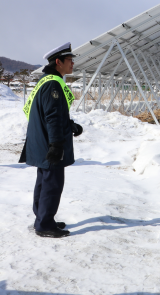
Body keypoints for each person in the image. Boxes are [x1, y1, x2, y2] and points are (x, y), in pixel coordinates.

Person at [19, 43, 81, 238]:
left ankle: (42, 218)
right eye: (70, 60)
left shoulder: (46, 81)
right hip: (49, 144)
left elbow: (52, 112)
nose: (72, 64)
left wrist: (69, 124)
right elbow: (52, 116)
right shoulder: (53, 84)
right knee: (52, 184)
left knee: (43, 182)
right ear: (58, 62)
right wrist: (56, 145)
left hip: (41, 141)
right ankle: (44, 224)